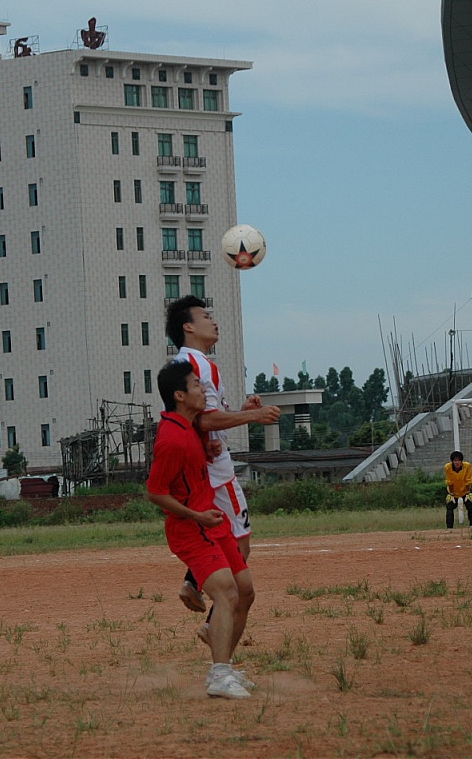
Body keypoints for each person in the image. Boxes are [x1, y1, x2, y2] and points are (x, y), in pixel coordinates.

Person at [164, 295, 280, 624]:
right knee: (239, 544)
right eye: (205, 316)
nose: (213, 322)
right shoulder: (198, 365)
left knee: (224, 537)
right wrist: (254, 416)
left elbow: (200, 420)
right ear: (188, 327)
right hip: (216, 472)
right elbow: (204, 420)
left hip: (204, 468)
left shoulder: (188, 364)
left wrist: (239, 413)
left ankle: (194, 583)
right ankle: (209, 610)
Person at [146, 360, 256, 699]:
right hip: (190, 529)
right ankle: (219, 675)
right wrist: (195, 515)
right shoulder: (171, 439)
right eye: (196, 385)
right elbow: (156, 493)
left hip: (211, 523)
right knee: (226, 592)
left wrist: (208, 449)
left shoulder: (190, 427)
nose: (202, 389)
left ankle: (226, 667)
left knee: (245, 591)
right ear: (179, 395)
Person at [444, 450, 472, 532]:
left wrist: (468, 493)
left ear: (461, 461)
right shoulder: (448, 467)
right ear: (452, 461)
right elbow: (450, 482)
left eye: (459, 460)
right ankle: (449, 528)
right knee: (449, 507)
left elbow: (468, 481)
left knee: (470, 506)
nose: (457, 462)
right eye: (455, 460)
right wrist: (451, 494)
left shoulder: (467, 466)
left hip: (465, 491)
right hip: (453, 492)